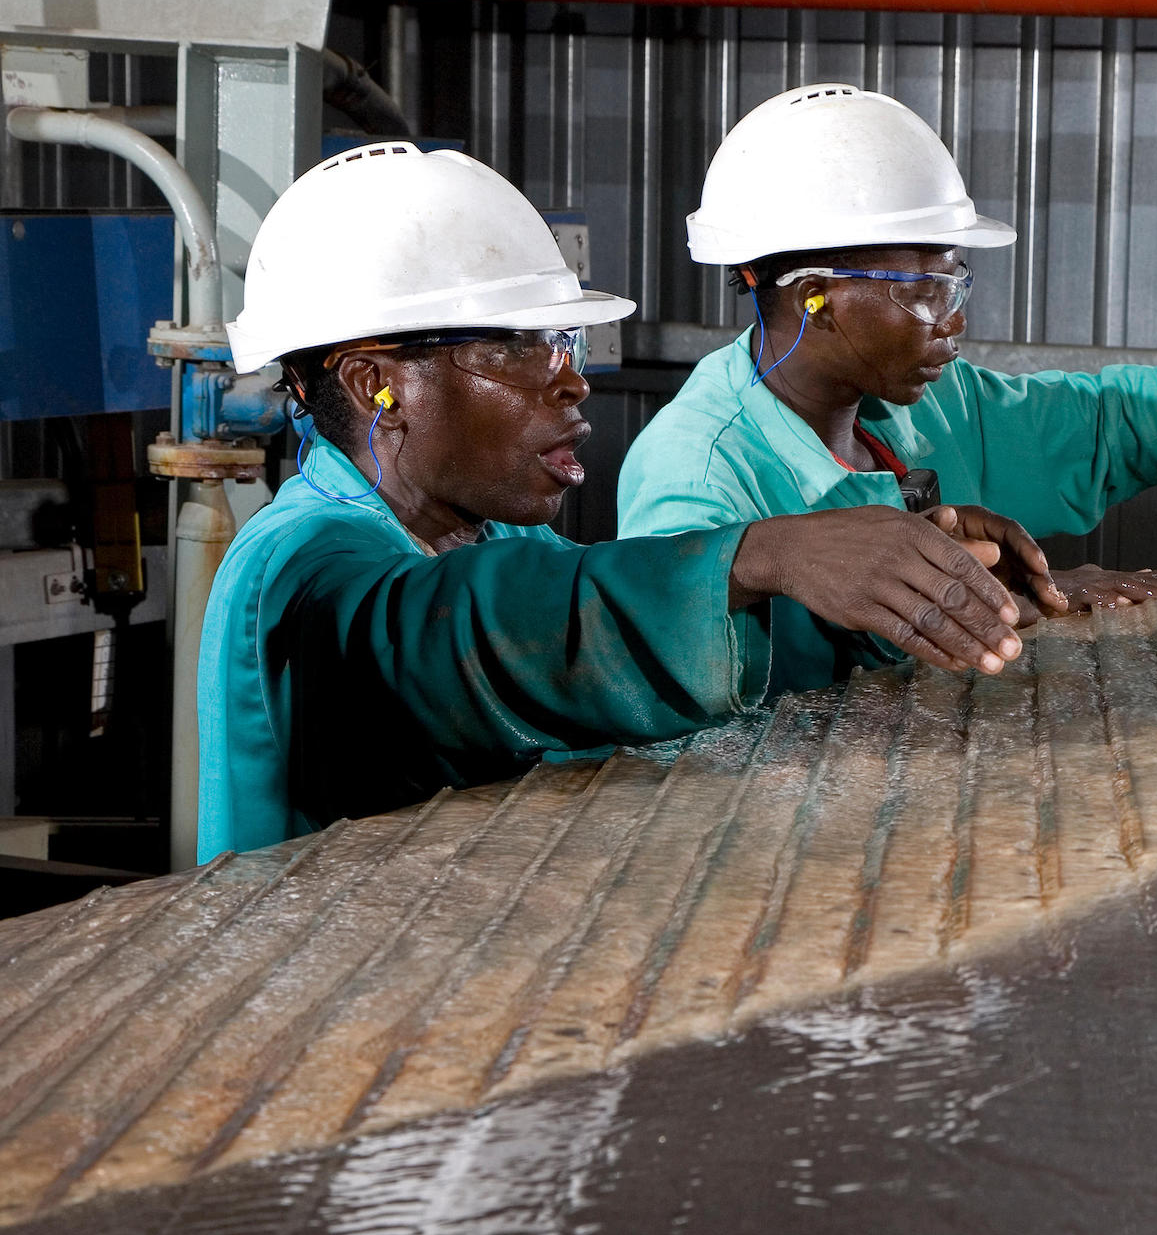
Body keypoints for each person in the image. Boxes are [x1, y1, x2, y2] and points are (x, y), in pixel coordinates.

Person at [201, 141, 1063, 861]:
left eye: (564, 340)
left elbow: (611, 665)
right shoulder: (303, 567)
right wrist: (762, 553)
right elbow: (467, 633)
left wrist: (902, 592)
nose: (573, 380)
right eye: (518, 348)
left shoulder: (484, 533)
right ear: (377, 384)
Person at [615, 84, 1157, 694]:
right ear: (814, 293)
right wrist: (973, 610)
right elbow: (691, 705)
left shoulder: (929, 406)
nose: (953, 318)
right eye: (925, 287)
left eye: (955, 280)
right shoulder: (697, 476)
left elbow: (1113, 421)